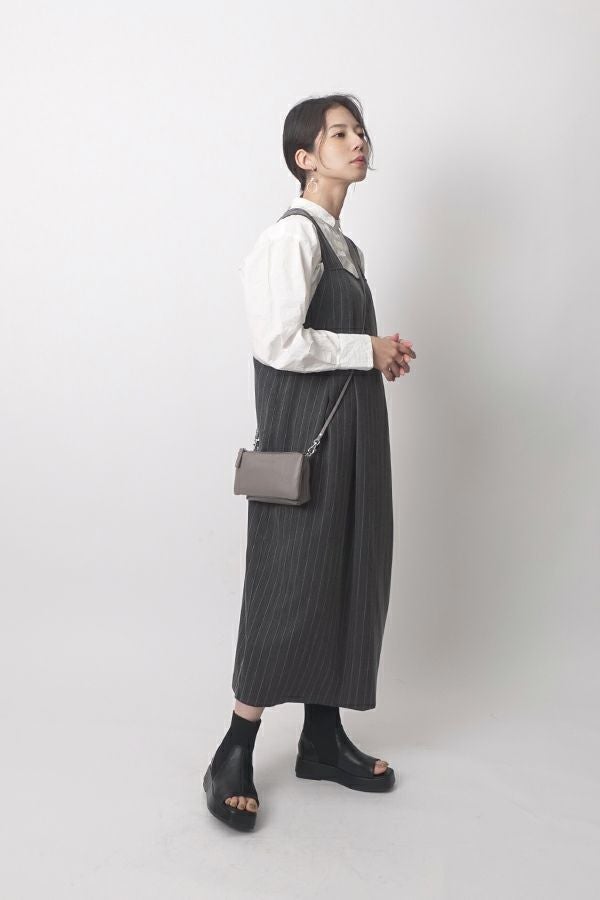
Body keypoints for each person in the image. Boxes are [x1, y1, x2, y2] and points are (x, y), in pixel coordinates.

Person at [203, 94, 416, 831]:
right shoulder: (290, 237)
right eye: (339, 133)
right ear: (305, 157)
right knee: (288, 583)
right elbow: (277, 341)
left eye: (360, 131)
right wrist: (365, 348)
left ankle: (322, 738)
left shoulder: (343, 246)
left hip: (354, 436)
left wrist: (378, 355)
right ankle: (234, 747)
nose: (358, 142)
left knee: (349, 570)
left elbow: (331, 342)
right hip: (306, 441)